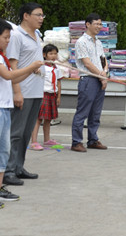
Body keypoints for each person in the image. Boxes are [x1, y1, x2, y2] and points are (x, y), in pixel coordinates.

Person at [1, 18, 44, 204]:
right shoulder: (14, 41)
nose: (7, 41)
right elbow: (10, 74)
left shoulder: (37, 36)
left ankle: (10, 175)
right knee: (10, 140)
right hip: (9, 102)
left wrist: (31, 70)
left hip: (14, 100)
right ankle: (8, 173)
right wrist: (31, 68)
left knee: (13, 142)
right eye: (5, 38)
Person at [70, 13, 109, 153]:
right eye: (96, 24)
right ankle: (76, 141)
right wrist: (101, 76)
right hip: (88, 79)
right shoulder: (81, 41)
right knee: (83, 111)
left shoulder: (98, 42)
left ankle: (93, 139)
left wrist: (104, 72)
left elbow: (103, 59)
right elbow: (86, 62)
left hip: (100, 79)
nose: (99, 27)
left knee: (95, 113)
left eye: (100, 24)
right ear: (87, 24)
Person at [29, 44, 62, 149]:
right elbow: (36, 74)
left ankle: (47, 140)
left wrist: (58, 96)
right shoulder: (41, 66)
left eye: (55, 53)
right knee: (38, 119)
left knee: (48, 119)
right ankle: (34, 141)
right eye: (51, 53)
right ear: (44, 55)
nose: (53, 56)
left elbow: (59, 83)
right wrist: (36, 70)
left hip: (53, 95)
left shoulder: (57, 68)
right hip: (43, 94)